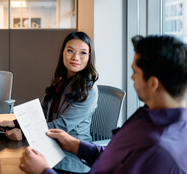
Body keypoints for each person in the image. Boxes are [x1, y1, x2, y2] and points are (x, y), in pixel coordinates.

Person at [20, 35, 187, 174]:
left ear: (153, 83)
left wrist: (43, 171)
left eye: (135, 72)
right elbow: (115, 154)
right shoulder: (147, 115)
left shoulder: (160, 150)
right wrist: (77, 145)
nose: (132, 78)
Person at [0, 31, 99, 173]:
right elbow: (41, 112)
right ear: (63, 52)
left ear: (89, 57)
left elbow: (62, 126)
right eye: (70, 51)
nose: (75, 57)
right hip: (47, 149)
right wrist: (15, 123)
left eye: (83, 53)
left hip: (71, 159)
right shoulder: (60, 80)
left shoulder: (89, 90)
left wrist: (24, 133)